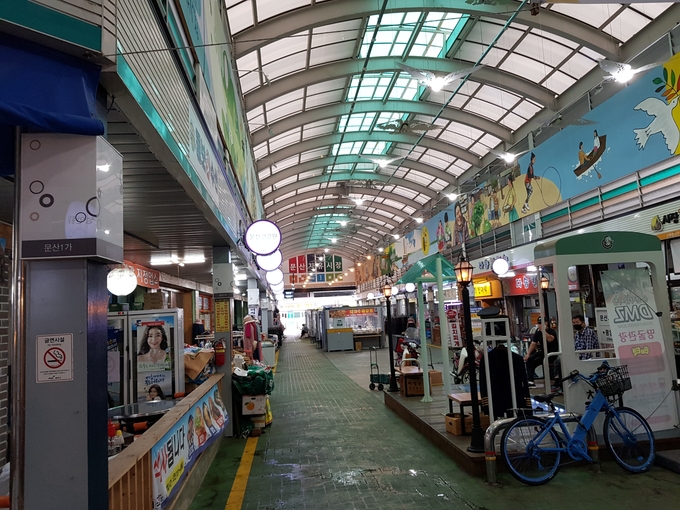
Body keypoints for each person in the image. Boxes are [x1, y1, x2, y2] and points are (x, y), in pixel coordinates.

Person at [523, 317, 556, 387]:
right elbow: (533, 343)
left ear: (546, 323)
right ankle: (530, 380)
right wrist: (528, 354)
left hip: (551, 353)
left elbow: (550, 339)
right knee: (530, 360)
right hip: (543, 353)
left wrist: (543, 331)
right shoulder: (538, 332)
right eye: (539, 323)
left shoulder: (551, 331)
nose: (540, 325)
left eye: (542, 323)